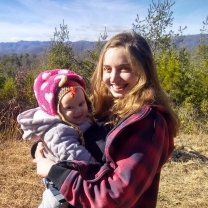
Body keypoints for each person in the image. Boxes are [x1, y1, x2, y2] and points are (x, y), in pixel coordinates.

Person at [33, 31, 180, 208]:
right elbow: (74, 137)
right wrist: (41, 148)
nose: (113, 78)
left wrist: (53, 170)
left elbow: (112, 196)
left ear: (143, 71)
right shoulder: (110, 107)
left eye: (125, 68)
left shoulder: (150, 125)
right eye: (107, 69)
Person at [17, 69, 96, 208]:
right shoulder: (58, 131)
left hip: (71, 175)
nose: (78, 110)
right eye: (69, 107)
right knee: (55, 203)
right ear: (57, 110)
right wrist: (96, 165)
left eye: (81, 104)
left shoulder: (77, 119)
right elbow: (74, 153)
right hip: (59, 178)